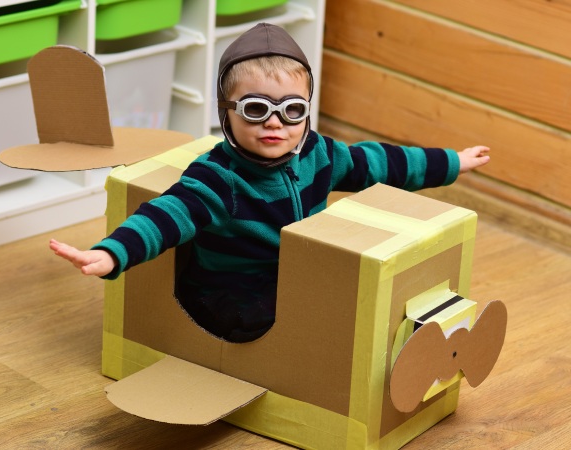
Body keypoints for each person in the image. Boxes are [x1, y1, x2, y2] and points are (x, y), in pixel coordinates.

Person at [50, 23, 490, 343]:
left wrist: (451, 162)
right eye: (257, 109)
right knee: (274, 324)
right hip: (227, 288)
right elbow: (166, 215)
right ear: (227, 114)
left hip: (295, 272)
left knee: (347, 303)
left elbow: (381, 162)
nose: (275, 123)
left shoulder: (320, 154)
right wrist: (113, 253)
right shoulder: (218, 177)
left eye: (292, 110)